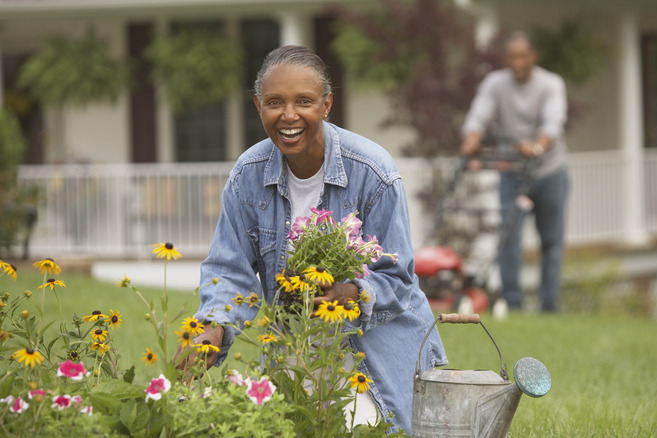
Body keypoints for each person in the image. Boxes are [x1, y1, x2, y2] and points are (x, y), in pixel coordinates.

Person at [179, 45, 447, 433]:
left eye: (304, 101)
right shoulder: (248, 175)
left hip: (376, 354)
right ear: (258, 107)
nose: (289, 116)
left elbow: (398, 279)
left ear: (326, 105)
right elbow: (229, 270)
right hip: (298, 349)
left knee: (357, 429)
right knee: (271, 425)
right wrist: (213, 327)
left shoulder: (373, 171)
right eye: (275, 102)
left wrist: (351, 293)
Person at [460, 32, 569, 313]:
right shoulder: (496, 83)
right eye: (511, 57)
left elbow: (553, 123)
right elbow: (479, 114)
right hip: (512, 172)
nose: (517, 62)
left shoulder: (550, 84)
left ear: (534, 56)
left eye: (523, 56)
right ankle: (513, 302)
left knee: (552, 241)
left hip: (549, 172)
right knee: (508, 237)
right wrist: (472, 136)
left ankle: (549, 306)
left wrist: (537, 146)